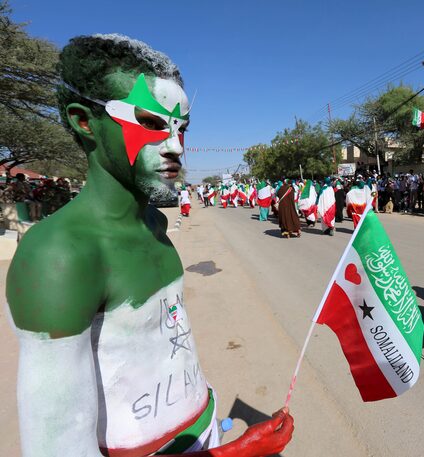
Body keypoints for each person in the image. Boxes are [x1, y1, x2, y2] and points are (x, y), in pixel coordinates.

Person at [6, 34, 293, 457]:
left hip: (202, 424)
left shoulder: (156, 223)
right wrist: (233, 454)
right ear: (85, 121)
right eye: (153, 124)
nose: (175, 146)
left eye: (182, 128)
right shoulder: (60, 256)